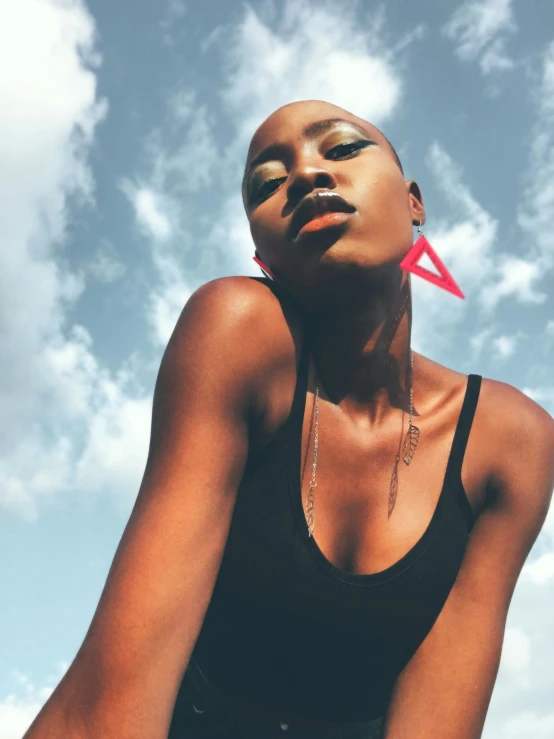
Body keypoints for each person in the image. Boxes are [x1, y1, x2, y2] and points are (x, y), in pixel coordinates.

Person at [24, 100, 554, 739]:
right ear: (261, 249)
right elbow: (106, 711)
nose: (305, 176)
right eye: (267, 185)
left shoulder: (510, 444)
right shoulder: (236, 333)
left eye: (342, 149)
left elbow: (437, 720)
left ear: (415, 202)